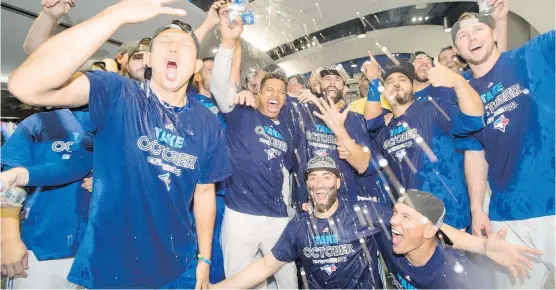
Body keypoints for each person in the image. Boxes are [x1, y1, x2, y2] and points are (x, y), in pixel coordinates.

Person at [9, 0, 232, 288]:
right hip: (111, 270)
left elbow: (203, 193)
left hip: (179, 267)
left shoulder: (208, 123)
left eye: (185, 46)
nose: (174, 49)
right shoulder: (117, 94)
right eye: (164, 43)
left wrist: (204, 258)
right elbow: (26, 85)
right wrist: (116, 15)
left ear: (197, 66)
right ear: (149, 59)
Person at [211, 156, 542, 289]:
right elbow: (264, 267)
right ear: (307, 185)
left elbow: (431, 227)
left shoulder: (365, 212)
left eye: (328, 176)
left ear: (339, 182)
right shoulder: (298, 226)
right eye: (314, 178)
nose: (321, 184)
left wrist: (483, 245)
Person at [451, 11, 555, 288]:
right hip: (507, 219)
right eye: (462, 36)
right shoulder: (464, 94)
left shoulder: (534, 55)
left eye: (478, 30)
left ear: (495, 33)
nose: (471, 38)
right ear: (457, 51)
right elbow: (474, 151)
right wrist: (476, 209)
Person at [210, 8, 298, 288]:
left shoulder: (287, 129)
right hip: (240, 215)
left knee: (288, 282)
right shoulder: (242, 113)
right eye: (269, 89)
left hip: (277, 218)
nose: (275, 95)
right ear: (258, 93)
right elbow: (220, 87)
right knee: (239, 282)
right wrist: (228, 44)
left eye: (281, 92)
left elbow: (288, 173)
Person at [360, 60, 485, 230]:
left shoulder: (433, 107)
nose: (396, 84)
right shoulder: (385, 131)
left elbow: (474, 119)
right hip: (411, 226)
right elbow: (371, 122)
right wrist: (374, 80)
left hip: (449, 219)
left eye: (402, 79)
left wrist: (459, 83)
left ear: (413, 87)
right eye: (389, 82)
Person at [0, 109, 93, 289]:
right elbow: (9, 184)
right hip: (41, 251)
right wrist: (8, 238)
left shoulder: (123, 127)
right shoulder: (39, 123)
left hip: (103, 255)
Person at [289, 64, 387, 206]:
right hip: (305, 205)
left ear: (346, 88)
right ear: (317, 86)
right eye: (327, 78)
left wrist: (341, 133)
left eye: (337, 79)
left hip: (343, 208)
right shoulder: (302, 113)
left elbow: (363, 165)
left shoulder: (357, 120)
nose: (332, 82)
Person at [381, 189, 493, 289]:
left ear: (429, 231)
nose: (393, 221)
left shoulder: (454, 278)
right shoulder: (385, 237)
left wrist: (483, 246)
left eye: (406, 217)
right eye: (395, 212)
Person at [192, 56, 227, 283]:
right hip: (194, 195)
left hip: (223, 193)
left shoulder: (228, 106)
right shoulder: (189, 103)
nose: (215, 74)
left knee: (219, 255)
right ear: (196, 76)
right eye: (210, 70)